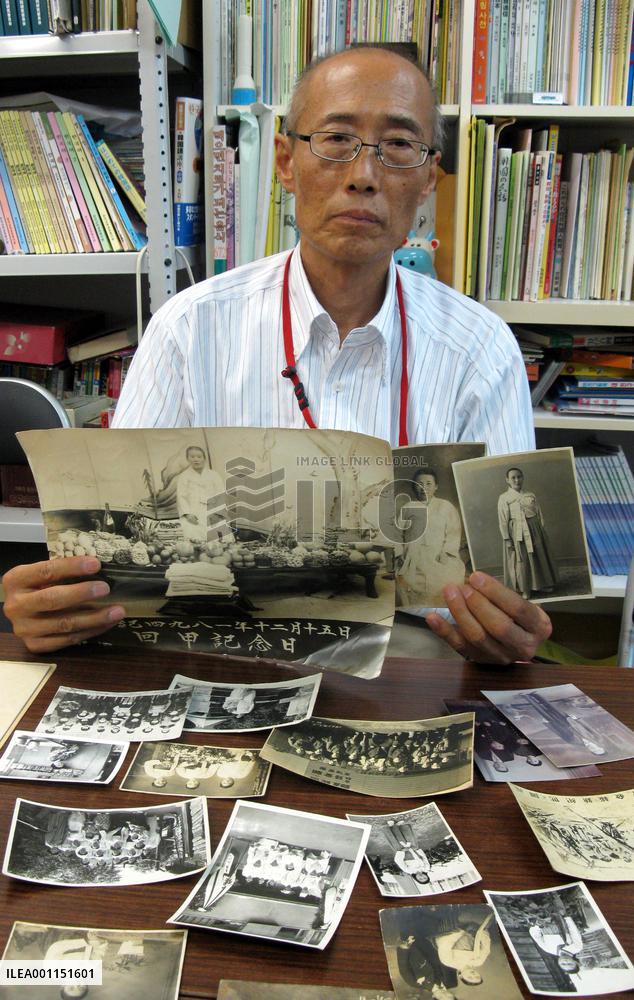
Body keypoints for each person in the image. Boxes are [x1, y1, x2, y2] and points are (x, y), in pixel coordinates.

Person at [2, 46, 552, 666]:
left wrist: (508, 628)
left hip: (413, 664)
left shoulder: (479, 348)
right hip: (223, 652)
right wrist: (64, 606)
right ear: (286, 163)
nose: (363, 175)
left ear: (428, 179)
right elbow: (123, 560)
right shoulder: (190, 328)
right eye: (337, 138)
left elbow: (511, 595)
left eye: (398, 147)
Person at [397, 468, 465, 605]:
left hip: (438, 554)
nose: (424, 488)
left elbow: (454, 532)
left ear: (436, 486)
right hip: (413, 555)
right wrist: (399, 554)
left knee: (443, 583)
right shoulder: (408, 507)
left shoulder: (446, 507)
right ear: (414, 486)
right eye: (419, 484)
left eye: (428, 483)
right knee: (411, 585)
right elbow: (398, 533)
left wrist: (446, 552)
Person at [497, 466, 558, 600]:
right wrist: (507, 538)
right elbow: (503, 520)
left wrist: (541, 530)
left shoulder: (530, 495)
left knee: (538, 556)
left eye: (519, 477)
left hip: (534, 529)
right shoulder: (504, 498)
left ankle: (542, 585)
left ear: (523, 478)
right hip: (517, 532)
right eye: (513, 477)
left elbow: (539, 513)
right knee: (522, 560)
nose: (517, 480)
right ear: (507, 480)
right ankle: (525, 589)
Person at [176, 445, 226, 544]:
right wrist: (187, 514)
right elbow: (181, 496)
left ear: (204, 458)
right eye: (192, 457)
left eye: (199, 457)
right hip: (193, 512)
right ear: (187, 459)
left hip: (212, 510)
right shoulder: (184, 476)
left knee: (219, 539)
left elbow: (221, 494)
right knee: (193, 537)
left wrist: (217, 513)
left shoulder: (214, 475)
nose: (196, 459)